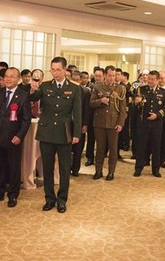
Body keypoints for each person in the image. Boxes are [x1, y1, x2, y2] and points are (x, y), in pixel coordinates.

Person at [29, 56, 82, 213]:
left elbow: (77, 114)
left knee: (65, 169)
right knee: (47, 167)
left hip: (65, 133)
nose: (55, 72)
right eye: (52, 69)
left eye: (58, 69)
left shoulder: (74, 88)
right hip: (46, 133)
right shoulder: (44, 86)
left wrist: (76, 134)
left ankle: (62, 199)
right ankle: (49, 199)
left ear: (65, 70)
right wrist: (31, 88)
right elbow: (32, 98)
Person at [0, 67, 31, 207]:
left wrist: (20, 136)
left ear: (18, 79)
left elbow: (26, 119)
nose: (8, 79)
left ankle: (13, 195)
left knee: (13, 168)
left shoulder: (23, 95)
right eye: (6, 76)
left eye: (12, 76)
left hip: (13, 138)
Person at [89, 65, 126, 181]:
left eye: (114, 75)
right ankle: (98, 171)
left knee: (113, 149)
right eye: (110, 75)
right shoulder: (97, 87)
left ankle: (111, 172)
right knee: (100, 149)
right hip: (99, 122)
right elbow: (91, 103)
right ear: (105, 75)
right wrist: (101, 101)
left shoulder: (120, 89)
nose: (112, 78)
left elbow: (123, 109)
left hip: (113, 123)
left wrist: (120, 123)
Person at [132, 70, 165, 178]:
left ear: (157, 80)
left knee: (156, 147)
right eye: (149, 79)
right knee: (141, 146)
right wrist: (136, 102)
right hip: (143, 123)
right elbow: (134, 106)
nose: (150, 81)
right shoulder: (141, 90)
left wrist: (157, 115)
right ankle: (138, 168)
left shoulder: (163, 92)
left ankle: (155, 169)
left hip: (156, 124)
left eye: (152, 79)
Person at [69, 70, 90, 177]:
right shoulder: (67, 90)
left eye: (78, 80)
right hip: (67, 124)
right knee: (68, 148)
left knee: (78, 148)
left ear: (81, 80)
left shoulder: (85, 91)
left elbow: (87, 110)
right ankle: (67, 168)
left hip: (80, 124)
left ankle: (76, 169)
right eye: (74, 80)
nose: (76, 82)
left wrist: (85, 125)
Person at [85, 67, 104, 166]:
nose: (98, 78)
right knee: (91, 139)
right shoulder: (89, 87)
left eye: (100, 76)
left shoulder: (105, 88)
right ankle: (89, 158)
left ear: (103, 76)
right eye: (96, 76)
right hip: (91, 116)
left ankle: (100, 159)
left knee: (101, 141)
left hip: (102, 116)